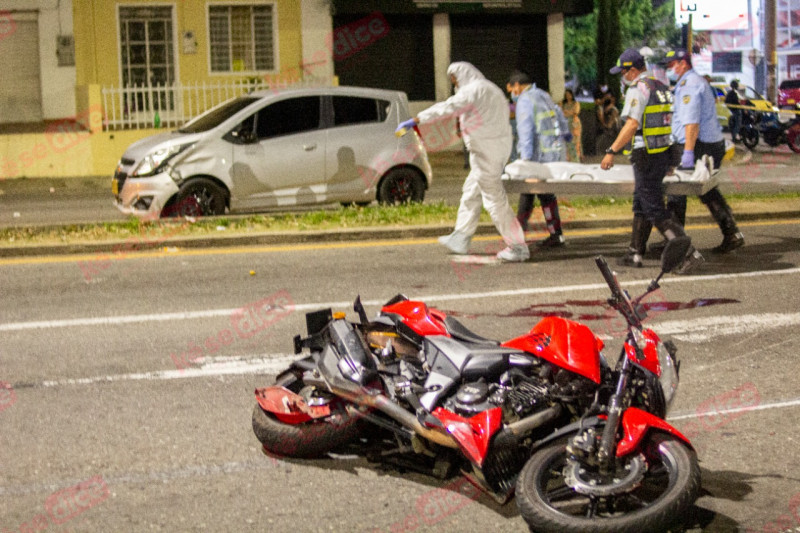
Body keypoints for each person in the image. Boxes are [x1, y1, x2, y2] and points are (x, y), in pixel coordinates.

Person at [396, 62, 529, 262]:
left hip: (485, 152)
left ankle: (518, 246)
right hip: (496, 150)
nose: (454, 84)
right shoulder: (492, 89)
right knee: (471, 191)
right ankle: (461, 236)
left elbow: (447, 107)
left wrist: (417, 119)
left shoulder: (473, 90)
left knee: (494, 200)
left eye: (454, 79)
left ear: (462, 75)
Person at [600, 48, 704, 274]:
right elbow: (666, 124)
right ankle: (634, 252)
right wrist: (671, 158)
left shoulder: (639, 89)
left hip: (646, 155)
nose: (622, 76)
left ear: (633, 70)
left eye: (623, 72)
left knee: (655, 209)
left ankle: (688, 253)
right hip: (660, 153)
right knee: (642, 203)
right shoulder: (661, 87)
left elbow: (631, 124)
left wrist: (611, 151)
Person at [659, 48, 744, 255]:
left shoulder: (690, 85)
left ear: (683, 64)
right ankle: (731, 232)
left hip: (697, 145)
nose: (669, 69)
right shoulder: (693, 82)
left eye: (672, 65)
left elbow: (691, 124)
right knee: (706, 191)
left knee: (677, 191)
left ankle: (676, 242)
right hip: (707, 144)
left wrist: (687, 153)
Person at [506, 70, 569, 248]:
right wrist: (567, 136)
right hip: (551, 155)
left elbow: (525, 132)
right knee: (546, 195)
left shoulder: (525, 101)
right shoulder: (543, 95)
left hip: (535, 157)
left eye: (510, 89)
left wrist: (524, 160)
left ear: (517, 85)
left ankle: (517, 238)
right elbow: (560, 116)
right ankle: (556, 235)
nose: (511, 94)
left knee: (527, 194)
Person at [560, 88, 583, 162]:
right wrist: (568, 112)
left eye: (569, 94)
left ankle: (576, 158)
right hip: (566, 124)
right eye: (566, 95)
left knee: (575, 141)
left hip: (574, 124)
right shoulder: (563, 104)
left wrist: (567, 112)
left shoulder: (575, 103)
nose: (568, 96)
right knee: (567, 141)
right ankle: (569, 158)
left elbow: (575, 112)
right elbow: (561, 113)